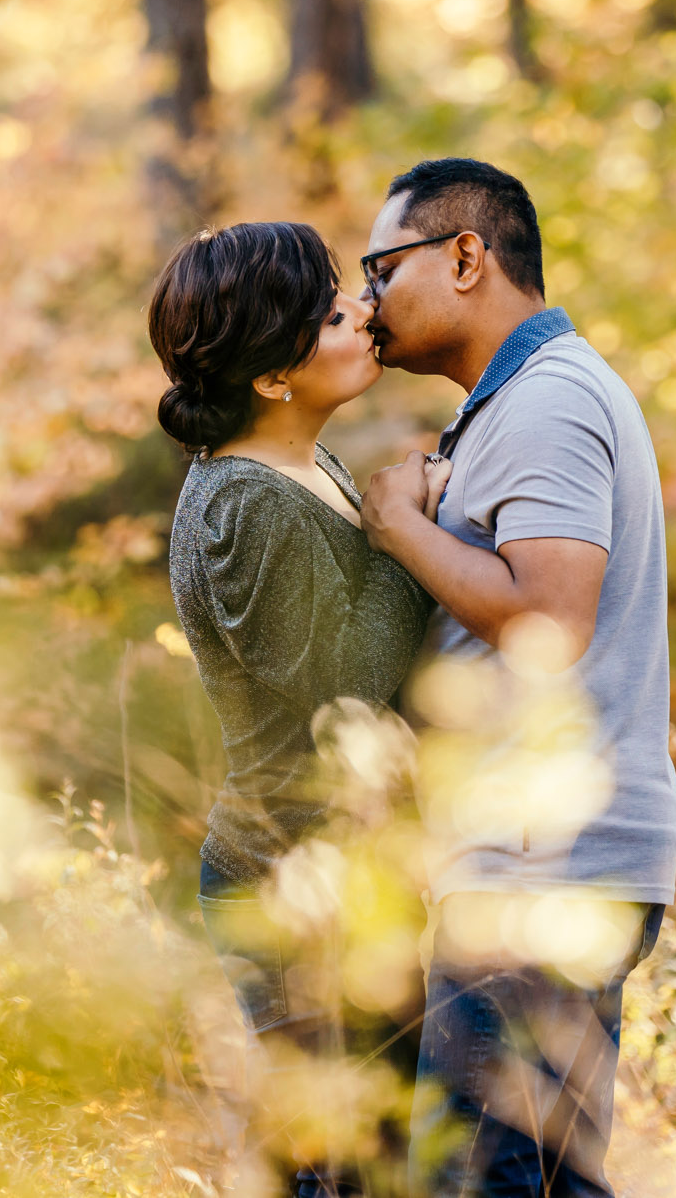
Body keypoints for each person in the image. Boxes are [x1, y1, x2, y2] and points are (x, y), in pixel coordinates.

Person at [356, 158, 676, 1197]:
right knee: (540, 1177)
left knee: (483, 1181)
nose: (366, 302)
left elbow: (546, 617)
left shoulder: (547, 400)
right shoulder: (517, 403)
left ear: (463, 257)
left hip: (539, 867)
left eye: (380, 268)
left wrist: (400, 526)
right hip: (536, 861)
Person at [148, 220, 447, 1197]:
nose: (361, 310)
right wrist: (402, 533)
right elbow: (346, 692)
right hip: (288, 884)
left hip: (338, 875)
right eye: (328, 313)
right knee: (344, 1171)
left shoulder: (293, 466)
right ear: (272, 376)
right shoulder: (243, 504)